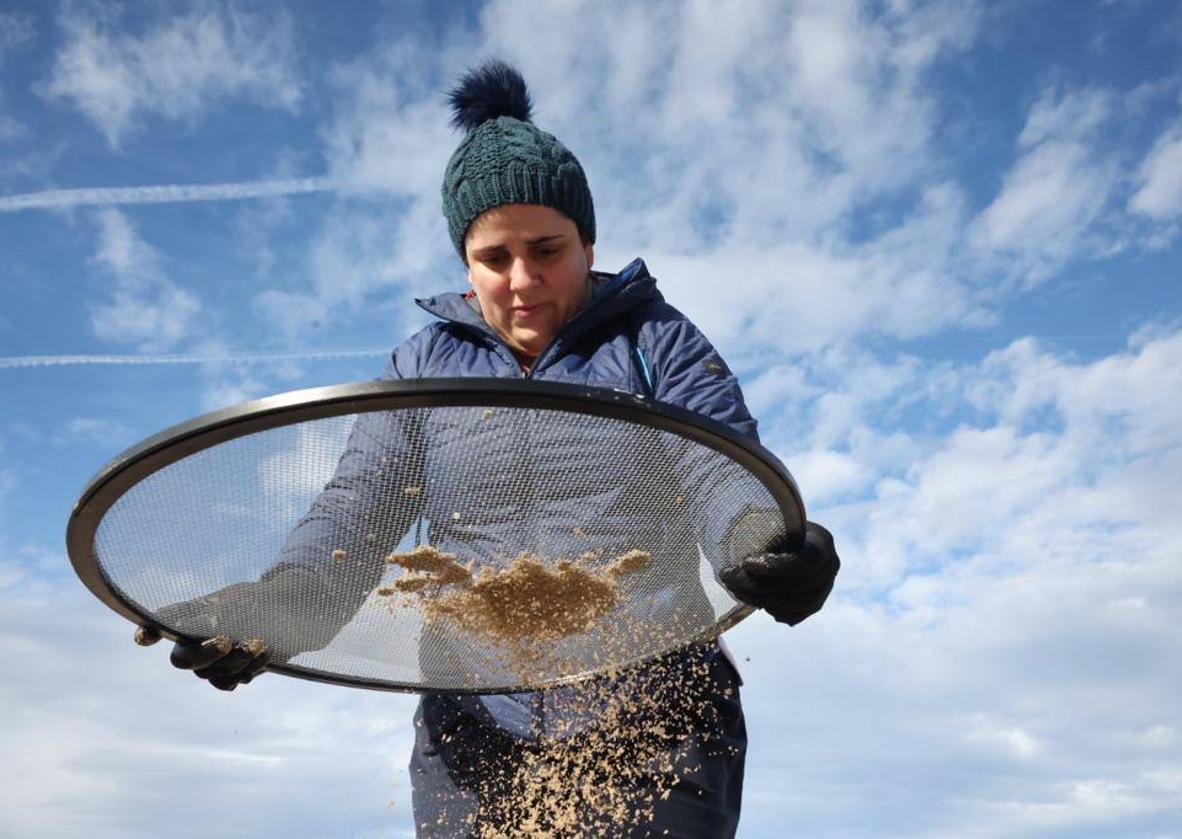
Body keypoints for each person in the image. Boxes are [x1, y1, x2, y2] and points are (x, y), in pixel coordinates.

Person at [137, 61, 840, 837]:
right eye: (494, 259)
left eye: (548, 250)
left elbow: (722, 470)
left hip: (656, 712)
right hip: (475, 728)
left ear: (589, 241)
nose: (522, 280)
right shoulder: (423, 368)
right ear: (465, 263)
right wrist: (276, 610)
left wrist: (765, 543)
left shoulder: (655, 342)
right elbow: (355, 514)